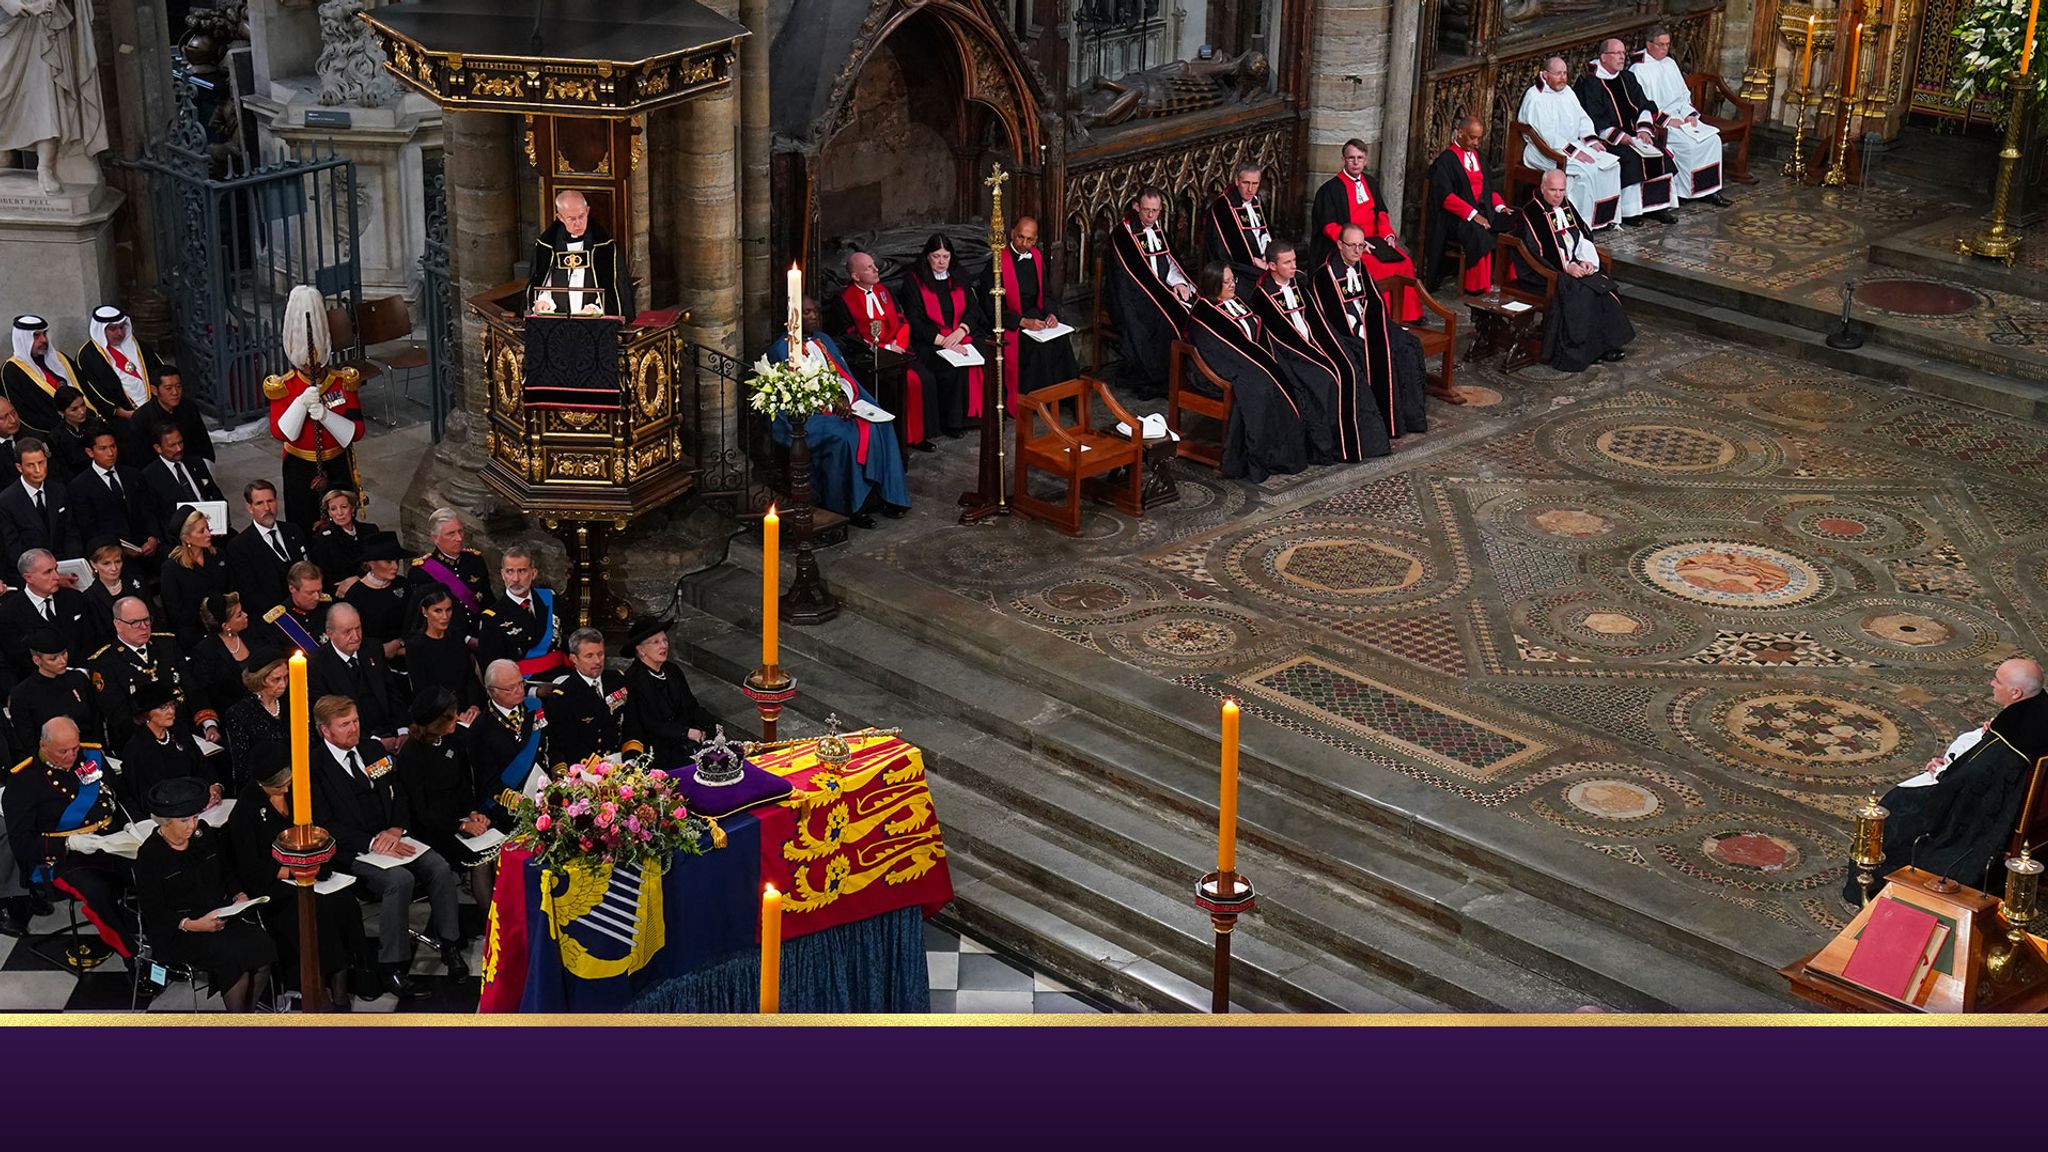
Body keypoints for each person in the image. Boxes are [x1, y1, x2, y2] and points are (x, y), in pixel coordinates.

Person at [1849, 659, 2048, 904]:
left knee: (1895, 805)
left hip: (1988, 811)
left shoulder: (2007, 742)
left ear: (2016, 693)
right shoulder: (2036, 712)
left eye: (1997, 680)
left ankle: (1874, 886)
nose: (1991, 684)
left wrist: (1943, 770)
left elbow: (1967, 784)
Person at [307, 694, 463, 998]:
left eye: (355, 721)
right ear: (325, 730)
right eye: (345, 725)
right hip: (353, 850)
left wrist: (394, 828)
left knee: (439, 867)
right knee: (399, 880)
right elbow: (324, 823)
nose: (354, 729)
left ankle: (450, 943)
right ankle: (392, 964)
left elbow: (399, 793)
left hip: (393, 835)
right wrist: (371, 842)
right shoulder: (314, 766)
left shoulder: (372, 749)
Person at [226, 742, 365, 1006]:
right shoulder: (245, 812)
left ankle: (345, 977)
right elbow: (251, 868)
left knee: (343, 901)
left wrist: (313, 862)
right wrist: (294, 870)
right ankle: (318, 985)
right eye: (280, 786)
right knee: (316, 908)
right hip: (273, 884)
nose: (287, 788)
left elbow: (315, 829)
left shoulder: (295, 794)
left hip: (305, 870)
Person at [133, 776, 276, 1011]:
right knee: (234, 961)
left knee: (262, 946)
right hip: (180, 931)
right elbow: (154, 910)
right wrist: (193, 925)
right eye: (185, 820)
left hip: (219, 915)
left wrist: (238, 894)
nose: (193, 825)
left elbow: (227, 870)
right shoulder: (150, 855)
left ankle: (247, 1018)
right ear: (165, 822)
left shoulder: (204, 834)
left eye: (196, 817)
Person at [768, 301, 912, 528]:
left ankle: (886, 496)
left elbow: (842, 374)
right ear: (791, 317)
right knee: (847, 437)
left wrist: (844, 397)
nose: (815, 315)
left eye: (815, 310)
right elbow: (794, 392)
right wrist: (831, 403)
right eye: (807, 312)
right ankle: (851, 506)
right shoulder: (782, 348)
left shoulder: (823, 340)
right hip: (808, 414)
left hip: (843, 403)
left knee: (880, 423)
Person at [3, 716, 133, 959]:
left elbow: (120, 795)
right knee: (98, 891)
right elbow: (21, 843)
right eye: (63, 751)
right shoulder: (24, 781)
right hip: (65, 859)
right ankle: (133, 958)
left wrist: (130, 825)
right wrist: (68, 843)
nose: (72, 755)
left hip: (111, 841)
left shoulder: (91, 756)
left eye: (75, 747)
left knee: (156, 864)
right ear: (44, 746)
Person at [1184, 262, 1308, 482]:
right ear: (1214, 284)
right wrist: (1248, 366)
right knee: (1259, 388)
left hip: (1248, 360)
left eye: (1234, 280)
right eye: (1227, 281)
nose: (1233, 285)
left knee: (1285, 376)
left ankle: (1283, 452)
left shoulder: (1235, 301)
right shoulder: (1204, 312)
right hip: (1217, 370)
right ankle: (1260, 457)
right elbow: (1216, 350)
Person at [1312, 224, 1427, 443]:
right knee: (1383, 354)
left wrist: (1375, 326)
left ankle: (1410, 417)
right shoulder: (1325, 276)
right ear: (1339, 245)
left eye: (1361, 245)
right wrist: (1365, 331)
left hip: (1371, 324)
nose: (1357, 250)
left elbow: (1374, 300)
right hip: (1348, 335)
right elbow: (1336, 317)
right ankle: (1386, 422)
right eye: (1352, 245)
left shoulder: (1359, 266)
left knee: (1409, 345)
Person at [1513, 171, 1636, 372]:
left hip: (1572, 264)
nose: (1558, 195)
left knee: (1600, 284)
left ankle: (1603, 346)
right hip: (1543, 273)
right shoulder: (1532, 213)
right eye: (1553, 190)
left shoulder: (1565, 206)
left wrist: (1584, 260)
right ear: (1543, 188)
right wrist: (1566, 267)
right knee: (1582, 291)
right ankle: (1583, 351)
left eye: (1562, 190)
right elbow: (1537, 252)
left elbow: (1581, 235)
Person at [265, 286, 364, 527]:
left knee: (342, 520)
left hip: (337, 463)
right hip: (300, 465)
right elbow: (280, 433)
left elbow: (357, 431)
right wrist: (300, 404)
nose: (312, 367)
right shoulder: (284, 386)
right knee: (302, 519)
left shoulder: (342, 381)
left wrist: (327, 416)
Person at [1246, 241, 1347, 465]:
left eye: (1294, 261)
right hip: (1290, 355)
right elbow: (1279, 337)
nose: (1294, 266)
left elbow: (1314, 319)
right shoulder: (1263, 295)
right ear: (1272, 266)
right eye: (1288, 262)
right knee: (1325, 380)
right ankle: (1324, 448)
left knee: (1347, 366)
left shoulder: (1298, 285)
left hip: (1310, 344)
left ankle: (1346, 441)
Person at [0, 0, 109, 196]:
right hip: (6, 21)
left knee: (44, 94)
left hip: (43, 24)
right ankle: (3, 155)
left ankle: (45, 167)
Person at [90, 594, 220, 755]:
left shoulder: (167, 644)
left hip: (186, 729)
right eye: (135, 623)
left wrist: (208, 723)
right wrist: (159, 736)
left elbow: (191, 687)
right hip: (142, 742)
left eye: (146, 620)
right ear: (118, 624)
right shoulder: (104, 663)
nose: (144, 627)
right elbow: (119, 716)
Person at [398, 687, 494, 904]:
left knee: (499, 848)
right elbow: (422, 811)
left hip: (459, 817)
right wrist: (461, 826)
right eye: (451, 718)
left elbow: (462, 783)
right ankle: (489, 925)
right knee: (481, 861)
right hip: (432, 829)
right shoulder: (411, 755)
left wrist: (472, 812)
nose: (457, 720)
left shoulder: (455, 739)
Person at [829, 250, 930, 452]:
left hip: (897, 352)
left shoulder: (885, 291)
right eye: (869, 268)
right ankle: (897, 440)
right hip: (870, 360)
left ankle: (917, 437)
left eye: (874, 265)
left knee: (925, 379)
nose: (876, 269)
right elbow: (849, 336)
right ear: (856, 276)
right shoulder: (843, 301)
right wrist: (881, 349)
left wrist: (897, 345)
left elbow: (902, 320)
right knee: (893, 389)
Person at [1310, 140, 1422, 322]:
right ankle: (1382, 317)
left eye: (1359, 158)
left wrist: (1388, 235)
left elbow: (1381, 214)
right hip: (1350, 244)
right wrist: (1357, 243)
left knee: (1405, 261)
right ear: (1343, 159)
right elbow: (1329, 226)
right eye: (1351, 158)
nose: (1355, 162)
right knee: (1377, 267)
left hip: (1375, 240)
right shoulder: (1329, 189)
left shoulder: (1371, 182)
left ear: (1366, 160)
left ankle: (1407, 315)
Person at [978, 215, 1078, 411]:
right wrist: (1022, 322)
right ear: (1012, 234)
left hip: (1036, 315)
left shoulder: (1037, 258)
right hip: (1012, 321)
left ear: (1036, 239)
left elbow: (1047, 293)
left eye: (1030, 239)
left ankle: (1065, 398)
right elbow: (990, 306)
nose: (1024, 243)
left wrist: (1051, 314)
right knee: (1037, 347)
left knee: (1061, 341)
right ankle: (1037, 403)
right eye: (1021, 237)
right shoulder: (996, 264)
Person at [1575, 39, 1678, 227]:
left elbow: (1644, 104)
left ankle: (1658, 207)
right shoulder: (1591, 84)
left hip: (1636, 135)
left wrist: (1644, 130)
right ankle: (1632, 211)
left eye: (1623, 53)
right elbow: (1593, 118)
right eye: (1617, 53)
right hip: (1610, 139)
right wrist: (1621, 137)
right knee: (1632, 160)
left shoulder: (1627, 78)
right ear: (1604, 57)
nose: (1622, 57)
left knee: (1659, 152)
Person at [1106, 186, 1194, 399]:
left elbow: (1168, 261)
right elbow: (1128, 277)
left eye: (1156, 211)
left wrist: (1179, 282)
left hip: (1159, 289)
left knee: (1193, 305)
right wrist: (1163, 293)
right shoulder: (1123, 232)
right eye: (1146, 210)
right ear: (1136, 206)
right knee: (1161, 321)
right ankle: (1160, 378)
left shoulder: (1157, 226)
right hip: (1131, 295)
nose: (1151, 215)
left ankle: (1187, 374)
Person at [1518, 57, 1624, 230]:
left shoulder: (1567, 91)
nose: (1563, 78)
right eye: (1558, 73)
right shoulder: (1535, 97)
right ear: (1544, 75)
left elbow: (1583, 119)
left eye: (1565, 73)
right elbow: (1546, 136)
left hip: (1574, 145)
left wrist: (1591, 141)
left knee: (1611, 165)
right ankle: (1581, 223)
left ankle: (1605, 220)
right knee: (1586, 171)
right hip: (1544, 151)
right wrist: (1575, 153)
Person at [898, 234, 986, 439]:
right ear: (927, 256)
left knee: (986, 354)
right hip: (930, 341)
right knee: (951, 368)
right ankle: (952, 422)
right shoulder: (914, 281)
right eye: (936, 256)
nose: (941, 262)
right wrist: (943, 341)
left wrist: (961, 331)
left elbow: (973, 310)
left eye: (945, 256)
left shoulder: (959, 275)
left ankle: (978, 416)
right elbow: (915, 320)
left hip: (959, 333)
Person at [1631, 28, 1731, 207]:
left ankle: (1710, 190)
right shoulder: (1638, 69)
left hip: (1681, 117)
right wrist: (1669, 121)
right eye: (1661, 45)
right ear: (1648, 44)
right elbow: (1642, 105)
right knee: (1690, 146)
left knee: (1713, 140)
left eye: (1668, 45)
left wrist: (1690, 115)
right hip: (1661, 123)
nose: (1665, 49)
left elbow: (1683, 97)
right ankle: (1687, 192)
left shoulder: (1670, 63)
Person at [1427, 116, 1518, 296]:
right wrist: (1473, 215)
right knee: (1480, 233)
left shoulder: (1481, 158)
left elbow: (1488, 189)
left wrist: (1500, 206)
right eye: (1472, 137)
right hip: (1457, 217)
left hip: (1484, 210)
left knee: (1515, 221)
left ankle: (1507, 279)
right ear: (1460, 134)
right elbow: (1446, 197)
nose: (1476, 143)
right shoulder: (1446, 160)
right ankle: (1479, 285)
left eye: (1478, 138)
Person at [118, 678, 220, 818]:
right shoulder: (136, 749)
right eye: (163, 708)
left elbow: (202, 766)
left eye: (172, 705)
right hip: (167, 816)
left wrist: (214, 787)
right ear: (146, 714)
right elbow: (145, 798)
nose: (171, 711)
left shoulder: (179, 731)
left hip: (200, 805)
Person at [527, 188, 633, 322]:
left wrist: (595, 307)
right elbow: (544, 283)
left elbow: (613, 290)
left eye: (582, 216)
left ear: (587, 211)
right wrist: (543, 301)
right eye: (571, 219)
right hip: (556, 323)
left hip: (593, 323)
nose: (578, 223)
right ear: (560, 217)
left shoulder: (603, 246)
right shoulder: (547, 245)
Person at [311, 601, 405, 750]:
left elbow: (391, 692)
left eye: (358, 628)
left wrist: (402, 730)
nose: (356, 636)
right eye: (347, 632)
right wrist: (375, 743)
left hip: (392, 732)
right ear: (330, 633)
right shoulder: (318, 665)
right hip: (356, 742)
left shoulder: (372, 648)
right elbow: (330, 718)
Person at [620, 617, 713, 767]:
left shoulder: (672, 670)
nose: (664, 646)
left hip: (687, 743)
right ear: (641, 649)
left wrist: (708, 726)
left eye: (665, 640)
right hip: (657, 752)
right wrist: (686, 732)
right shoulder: (633, 680)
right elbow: (649, 724)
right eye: (656, 642)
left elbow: (691, 705)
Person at [470, 659, 548, 825]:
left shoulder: (533, 707)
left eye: (521, 683)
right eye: (511, 688)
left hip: (546, 791)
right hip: (510, 806)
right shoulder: (481, 729)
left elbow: (551, 746)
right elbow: (487, 780)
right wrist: (522, 802)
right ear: (492, 691)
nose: (519, 690)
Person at [70, 427, 157, 569]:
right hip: (111, 554)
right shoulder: (79, 486)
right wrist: (119, 550)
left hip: (147, 546)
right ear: (90, 452)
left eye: (113, 446)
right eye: (103, 448)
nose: (110, 453)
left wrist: (153, 538)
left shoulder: (133, 475)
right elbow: (88, 528)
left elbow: (148, 511)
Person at [73, 306, 158, 447]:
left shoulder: (138, 345)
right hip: (121, 420)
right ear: (101, 330)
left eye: (122, 327)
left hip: (153, 412)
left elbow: (157, 370)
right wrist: (124, 413)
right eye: (113, 329)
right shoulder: (87, 356)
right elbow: (92, 391)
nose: (120, 333)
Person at [0, 547, 92, 677]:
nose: (56, 577)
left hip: (84, 675)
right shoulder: (9, 613)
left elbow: (90, 638)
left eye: (56, 569)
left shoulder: (74, 598)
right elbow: (18, 659)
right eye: (48, 572)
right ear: (28, 578)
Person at [9, 625, 99, 753]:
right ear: (37, 660)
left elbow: (96, 721)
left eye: (64, 654)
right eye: (53, 658)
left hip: (88, 750)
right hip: (52, 759)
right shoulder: (22, 694)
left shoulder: (79, 679)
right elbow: (27, 741)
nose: (62, 661)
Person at [406, 507, 493, 641]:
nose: (459, 538)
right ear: (435, 538)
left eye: (460, 531)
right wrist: (467, 640)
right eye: (451, 534)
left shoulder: (475, 561)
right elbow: (427, 618)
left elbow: (488, 600)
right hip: (449, 640)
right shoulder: (421, 572)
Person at [225, 480, 308, 618]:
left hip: (307, 606)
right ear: (249, 507)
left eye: (270, 501)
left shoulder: (293, 530)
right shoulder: (240, 546)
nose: (267, 508)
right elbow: (249, 593)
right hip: (271, 617)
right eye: (259, 503)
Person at [476, 544, 562, 677]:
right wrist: (534, 691)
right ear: (502, 574)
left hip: (560, 675)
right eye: (510, 571)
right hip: (524, 688)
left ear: (533, 573)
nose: (515, 579)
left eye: (522, 571)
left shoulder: (550, 598)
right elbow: (493, 672)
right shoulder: (492, 618)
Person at [549, 626, 627, 771]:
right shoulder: (563, 696)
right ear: (574, 659)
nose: (598, 661)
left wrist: (631, 757)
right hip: (588, 769)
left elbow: (631, 723)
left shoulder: (618, 680)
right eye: (589, 656)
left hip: (623, 762)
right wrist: (604, 769)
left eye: (601, 654)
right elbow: (569, 743)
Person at [0, 435, 80, 571]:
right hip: (32, 573)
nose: (38, 470)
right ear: (19, 467)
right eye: (31, 465)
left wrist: (73, 565)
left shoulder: (59, 491)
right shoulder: (6, 501)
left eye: (41, 462)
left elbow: (71, 533)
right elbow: (13, 548)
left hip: (65, 565)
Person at [138, 424, 226, 545]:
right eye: (172, 445)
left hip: (212, 529)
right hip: (179, 539)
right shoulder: (150, 476)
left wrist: (222, 521)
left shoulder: (196, 463)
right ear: (158, 448)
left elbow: (216, 494)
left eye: (180, 442)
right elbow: (153, 515)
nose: (179, 448)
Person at [158, 508, 230, 650]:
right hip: (194, 635)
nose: (209, 534)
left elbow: (230, 589)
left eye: (208, 528)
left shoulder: (219, 556)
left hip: (225, 623)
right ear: (186, 538)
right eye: (201, 531)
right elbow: (176, 612)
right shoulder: (172, 569)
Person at [5, 315, 86, 434]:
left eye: (44, 334)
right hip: (49, 434)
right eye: (36, 336)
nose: (43, 340)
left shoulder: (60, 358)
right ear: (22, 339)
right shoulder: (11, 370)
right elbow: (23, 414)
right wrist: (64, 428)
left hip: (83, 423)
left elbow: (84, 386)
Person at [403, 587, 479, 712]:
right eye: (438, 611)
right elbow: (422, 689)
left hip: (467, 708)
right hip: (438, 712)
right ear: (425, 611)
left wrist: (474, 706)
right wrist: (451, 714)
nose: (445, 616)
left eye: (448, 610)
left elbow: (470, 677)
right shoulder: (416, 646)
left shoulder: (456, 638)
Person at [1205, 163, 1277, 285]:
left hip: (1263, 261)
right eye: (1246, 183)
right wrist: (1254, 261)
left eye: (1255, 184)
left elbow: (1264, 232)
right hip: (1238, 266)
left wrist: (1268, 254)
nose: (1250, 189)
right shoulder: (1223, 207)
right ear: (1237, 181)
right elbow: (1223, 249)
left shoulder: (1256, 201)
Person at [223, 656, 288, 788]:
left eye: (286, 677)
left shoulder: (293, 701)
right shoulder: (240, 713)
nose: (283, 684)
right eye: (276, 679)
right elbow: (242, 766)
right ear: (260, 680)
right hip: (266, 786)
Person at [342, 531, 407, 660]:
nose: (395, 566)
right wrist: (380, 650)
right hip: (372, 662)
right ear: (371, 563)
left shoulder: (403, 584)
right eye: (388, 561)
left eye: (397, 561)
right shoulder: (356, 595)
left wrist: (399, 644)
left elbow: (415, 621)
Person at [188, 592, 253, 720]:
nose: (246, 615)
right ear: (226, 626)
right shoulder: (205, 652)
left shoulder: (252, 633)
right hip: (236, 715)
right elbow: (211, 695)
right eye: (239, 615)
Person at [128, 370, 213, 467]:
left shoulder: (189, 408)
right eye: (168, 388)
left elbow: (203, 444)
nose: (175, 392)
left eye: (178, 386)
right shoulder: (142, 418)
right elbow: (140, 457)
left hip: (191, 463)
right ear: (154, 390)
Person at [308, 488, 378, 598]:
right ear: (329, 512)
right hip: (343, 596)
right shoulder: (322, 539)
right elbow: (327, 579)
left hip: (374, 587)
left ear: (353, 508)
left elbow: (380, 561)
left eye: (344, 507)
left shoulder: (370, 531)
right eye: (333, 509)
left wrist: (359, 577)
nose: (339, 513)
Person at [255, 562, 329, 661]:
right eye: (310, 592)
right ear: (292, 589)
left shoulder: (327, 606)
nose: (316, 597)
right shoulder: (277, 621)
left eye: (319, 591)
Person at [81, 538, 148, 645]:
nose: (114, 568)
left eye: (118, 561)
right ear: (93, 565)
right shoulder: (89, 598)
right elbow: (98, 635)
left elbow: (153, 616)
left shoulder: (136, 583)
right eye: (106, 563)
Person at [44, 387, 94, 480]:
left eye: (82, 405)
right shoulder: (56, 437)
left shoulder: (95, 424)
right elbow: (63, 471)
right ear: (61, 412)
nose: (82, 411)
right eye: (74, 409)